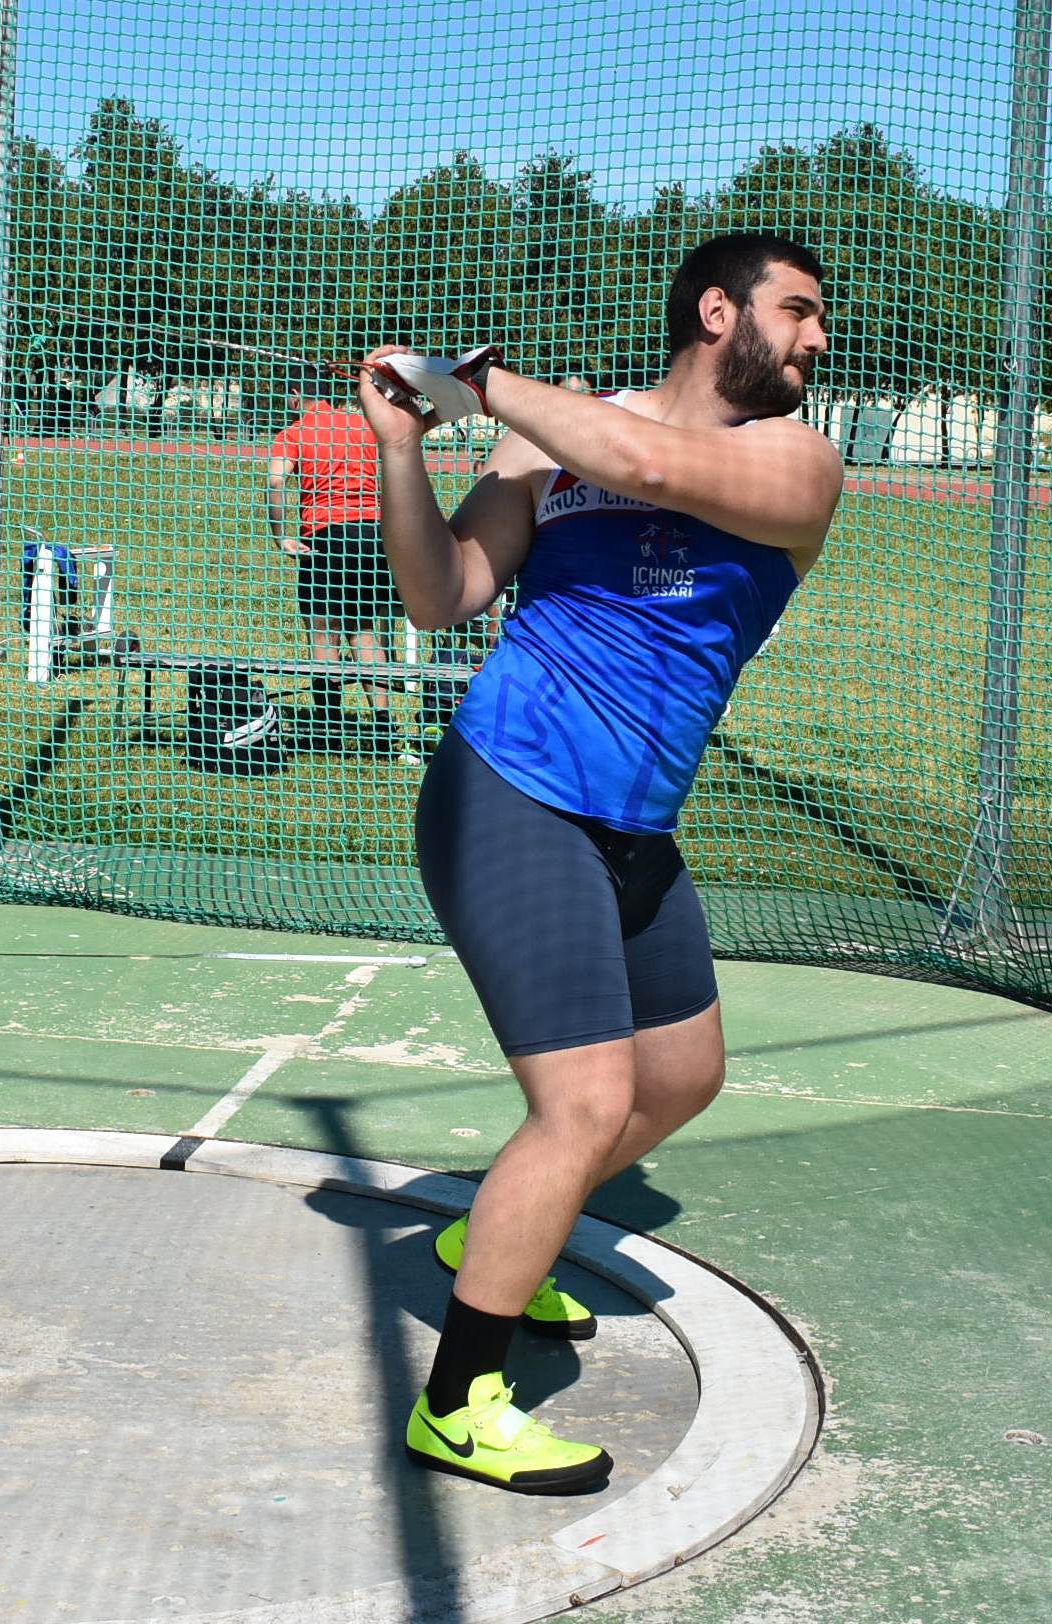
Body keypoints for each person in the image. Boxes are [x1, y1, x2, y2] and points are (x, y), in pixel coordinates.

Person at [357, 232, 840, 1495]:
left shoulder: (797, 462)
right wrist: (405, 450)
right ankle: (459, 1404)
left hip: (633, 826)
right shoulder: (546, 443)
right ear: (718, 310)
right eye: (797, 310)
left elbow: (647, 462)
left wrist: (484, 384)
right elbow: (443, 594)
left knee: (679, 1078)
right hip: (510, 786)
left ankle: (494, 1229)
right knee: (578, 1106)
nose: (815, 337)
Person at [266, 367, 414, 759]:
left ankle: (328, 727)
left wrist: (281, 535)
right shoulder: (362, 426)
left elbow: (276, 481)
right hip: (371, 536)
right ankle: (383, 728)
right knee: (364, 633)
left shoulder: (294, 433)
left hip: (324, 538)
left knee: (323, 635)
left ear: (295, 394)